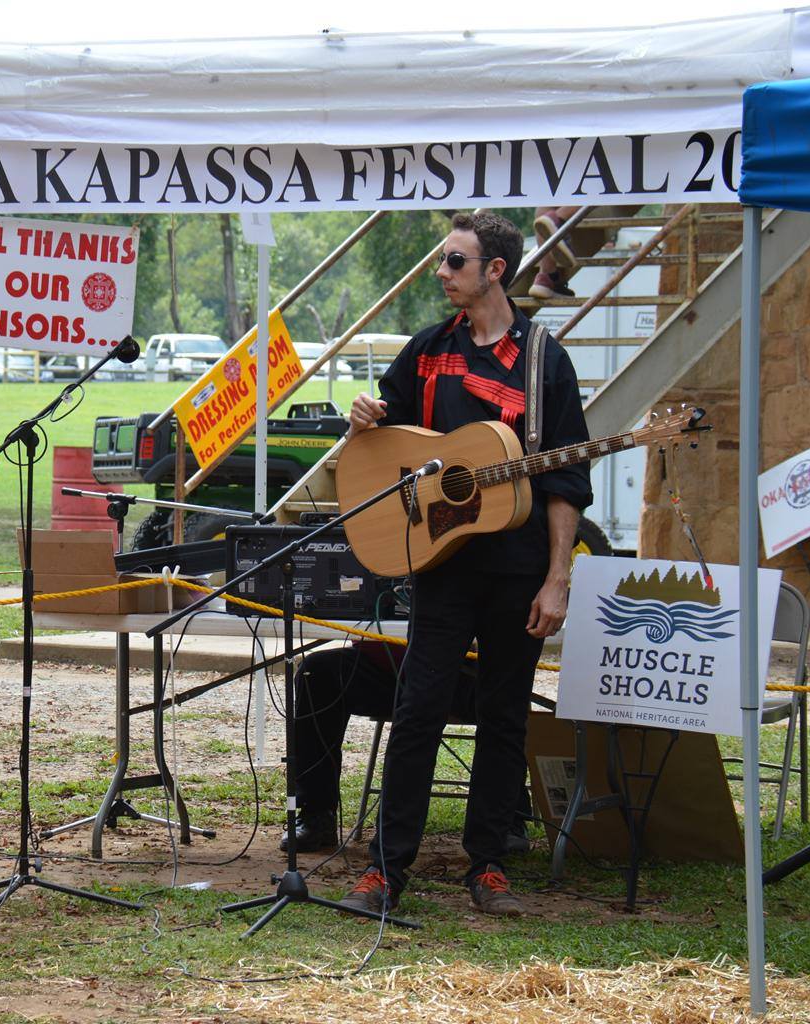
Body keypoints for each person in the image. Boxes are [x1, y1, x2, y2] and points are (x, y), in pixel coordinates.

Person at [338, 210, 591, 918]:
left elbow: (567, 482)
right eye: (443, 261)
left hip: (516, 567)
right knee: (418, 709)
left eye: (454, 262)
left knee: (505, 715)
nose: (441, 272)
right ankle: (386, 871)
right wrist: (362, 414)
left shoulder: (544, 361)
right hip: (440, 561)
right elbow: (382, 435)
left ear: (495, 272)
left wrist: (557, 576)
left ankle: (489, 866)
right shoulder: (428, 350)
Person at [283, 640, 533, 856]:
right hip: (388, 669)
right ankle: (316, 814)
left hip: (458, 668)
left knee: (501, 693)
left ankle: (507, 819)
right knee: (317, 671)